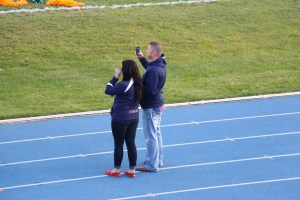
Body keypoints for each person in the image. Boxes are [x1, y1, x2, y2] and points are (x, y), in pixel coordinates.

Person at [104, 60, 143, 178]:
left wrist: (115, 77)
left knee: (119, 144)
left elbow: (108, 90)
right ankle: (132, 170)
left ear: (125, 70)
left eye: (121, 68)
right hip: (134, 117)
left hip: (120, 118)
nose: (120, 69)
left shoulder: (123, 85)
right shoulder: (138, 82)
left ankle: (116, 169)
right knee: (131, 143)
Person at [135, 42, 167, 172]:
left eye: (148, 50)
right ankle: (158, 160)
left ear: (154, 53)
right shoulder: (159, 64)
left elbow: (151, 90)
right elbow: (150, 68)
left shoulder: (154, 70)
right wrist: (142, 59)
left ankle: (151, 165)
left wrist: (138, 86)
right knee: (156, 133)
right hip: (157, 104)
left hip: (151, 106)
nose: (146, 51)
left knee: (150, 137)